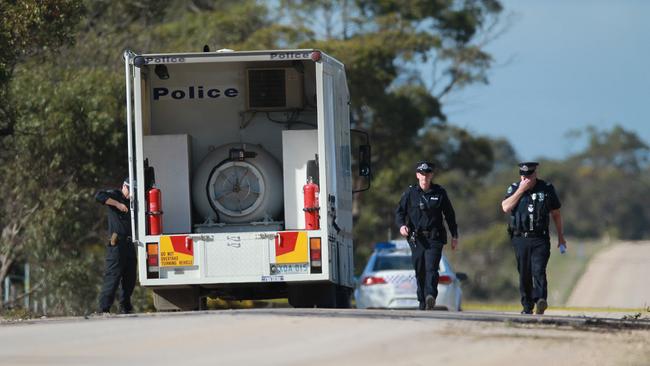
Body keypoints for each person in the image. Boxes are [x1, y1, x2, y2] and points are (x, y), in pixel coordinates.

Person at [501, 162, 566, 315]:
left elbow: (556, 214)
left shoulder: (547, 188)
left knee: (538, 269)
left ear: (535, 174)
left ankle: (541, 300)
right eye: (523, 176)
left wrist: (561, 237)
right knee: (524, 273)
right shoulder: (514, 188)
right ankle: (527, 306)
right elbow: (505, 207)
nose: (526, 179)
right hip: (520, 238)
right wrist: (520, 190)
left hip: (540, 238)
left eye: (529, 175)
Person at [395, 161, 459, 310]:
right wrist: (401, 226)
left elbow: (449, 215)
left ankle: (430, 295)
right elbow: (399, 212)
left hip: (435, 238)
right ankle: (422, 300)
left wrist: (454, 235)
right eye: (422, 174)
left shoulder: (440, 193)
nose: (424, 177)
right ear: (418, 175)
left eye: (427, 174)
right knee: (420, 269)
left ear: (431, 175)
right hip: (416, 239)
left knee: (431, 267)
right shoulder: (410, 193)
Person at [95, 178, 137, 314]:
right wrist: (118, 204)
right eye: (130, 189)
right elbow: (99, 196)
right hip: (117, 244)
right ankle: (104, 308)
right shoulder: (116, 194)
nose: (131, 193)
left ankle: (125, 307)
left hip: (130, 244)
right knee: (113, 277)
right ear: (124, 186)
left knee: (130, 278)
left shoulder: (133, 201)